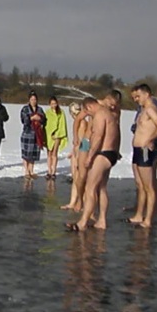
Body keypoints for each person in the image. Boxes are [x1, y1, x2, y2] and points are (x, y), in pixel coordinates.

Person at [65, 90, 121, 231]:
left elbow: (98, 136)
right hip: (106, 152)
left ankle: (82, 222)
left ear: (89, 107)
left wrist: (90, 156)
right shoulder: (107, 113)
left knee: (91, 188)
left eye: (87, 113)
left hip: (102, 152)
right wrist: (77, 139)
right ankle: (101, 220)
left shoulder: (100, 114)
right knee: (100, 187)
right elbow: (114, 132)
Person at [126, 85, 157, 228]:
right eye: (134, 98)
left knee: (148, 186)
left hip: (145, 150)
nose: (136, 100)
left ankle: (148, 219)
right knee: (141, 185)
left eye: (138, 97)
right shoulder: (143, 110)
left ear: (147, 94)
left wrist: (150, 139)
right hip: (138, 150)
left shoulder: (151, 109)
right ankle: (138, 215)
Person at [60, 102, 87, 211]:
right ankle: (73, 202)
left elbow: (82, 140)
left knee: (80, 179)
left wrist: (78, 152)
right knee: (75, 179)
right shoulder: (78, 122)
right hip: (76, 151)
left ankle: (82, 203)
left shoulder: (82, 123)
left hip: (81, 152)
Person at [20, 91, 46, 179]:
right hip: (27, 133)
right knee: (26, 153)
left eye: (35, 99)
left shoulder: (40, 109)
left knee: (33, 154)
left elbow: (44, 119)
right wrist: (31, 118)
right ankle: (26, 171)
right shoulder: (25, 109)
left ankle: (31, 170)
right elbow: (23, 120)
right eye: (32, 99)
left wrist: (40, 119)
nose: (33, 101)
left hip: (37, 135)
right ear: (29, 100)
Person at [45, 96, 68, 180]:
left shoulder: (61, 112)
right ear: (49, 104)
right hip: (48, 135)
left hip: (57, 136)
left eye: (55, 103)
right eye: (52, 104)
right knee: (49, 154)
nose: (53, 105)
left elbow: (62, 125)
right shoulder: (47, 112)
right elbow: (46, 125)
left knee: (54, 153)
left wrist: (57, 134)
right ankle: (49, 171)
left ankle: (53, 171)